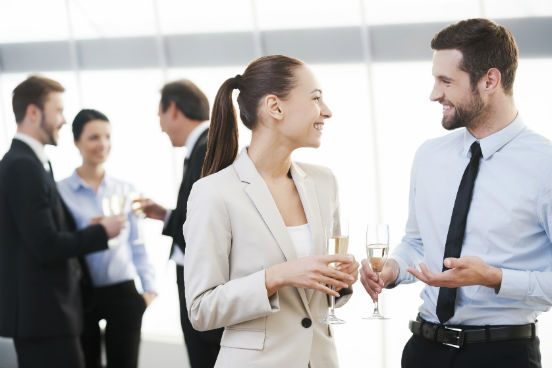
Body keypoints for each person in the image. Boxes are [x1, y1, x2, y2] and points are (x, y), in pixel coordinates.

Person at [360, 18, 550, 368]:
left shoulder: (546, 165)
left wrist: (495, 278)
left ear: (489, 80)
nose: (434, 94)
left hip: (501, 356)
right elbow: (416, 242)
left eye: (445, 81)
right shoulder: (429, 155)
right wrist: (392, 267)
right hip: (422, 350)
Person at [183, 55, 359, 367]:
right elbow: (201, 309)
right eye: (316, 98)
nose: (327, 111)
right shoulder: (214, 192)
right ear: (275, 107)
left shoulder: (323, 182)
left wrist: (342, 280)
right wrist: (274, 277)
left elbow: (320, 298)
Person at [0, 76, 125, 368]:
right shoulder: (23, 166)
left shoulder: (32, 162)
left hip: (47, 317)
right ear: (33, 113)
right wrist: (101, 232)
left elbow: (40, 233)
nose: (64, 119)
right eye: (58, 110)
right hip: (44, 317)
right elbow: (44, 245)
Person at [57, 109, 157, 368]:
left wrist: (149, 291)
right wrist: (89, 234)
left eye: (107, 137)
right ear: (77, 142)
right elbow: (59, 243)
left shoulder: (126, 190)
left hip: (123, 294)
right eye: (93, 137)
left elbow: (138, 244)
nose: (102, 144)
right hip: (81, 294)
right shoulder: (60, 192)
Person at [137, 80, 223, 367]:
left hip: (201, 280)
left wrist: (173, 219)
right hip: (198, 278)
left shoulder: (205, 148)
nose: (161, 126)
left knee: (204, 357)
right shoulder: (203, 146)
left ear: (173, 109)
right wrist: (166, 215)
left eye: (160, 116)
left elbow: (202, 225)